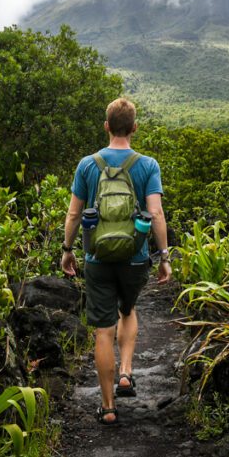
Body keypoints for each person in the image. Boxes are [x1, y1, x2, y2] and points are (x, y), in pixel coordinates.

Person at [60, 97, 171, 426]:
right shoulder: (148, 164)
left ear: (107, 126)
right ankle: (126, 372)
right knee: (127, 310)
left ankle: (108, 407)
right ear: (134, 128)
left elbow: (74, 212)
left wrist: (67, 250)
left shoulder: (87, 165)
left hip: (96, 257)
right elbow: (156, 213)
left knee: (103, 331)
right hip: (136, 258)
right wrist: (164, 257)